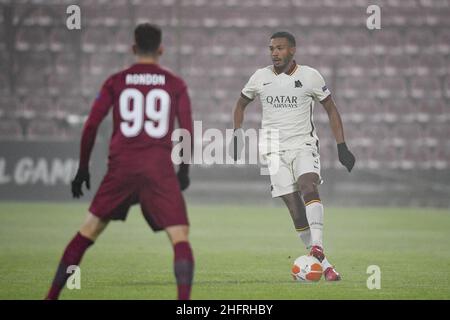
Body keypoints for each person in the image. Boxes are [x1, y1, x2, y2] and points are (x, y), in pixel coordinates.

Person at [46, 23, 194, 299]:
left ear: (134, 48)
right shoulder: (175, 84)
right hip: (158, 168)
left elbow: (90, 126)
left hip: (122, 167)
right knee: (180, 236)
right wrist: (184, 170)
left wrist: (82, 169)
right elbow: (186, 130)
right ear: (161, 49)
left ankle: (51, 296)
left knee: (88, 230)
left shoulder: (116, 81)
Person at [229, 31, 355, 281]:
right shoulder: (260, 77)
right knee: (296, 210)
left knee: (308, 186)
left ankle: (317, 246)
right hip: (273, 150)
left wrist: (342, 146)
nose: (275, 52)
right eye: (271, 48)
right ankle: (326, 266)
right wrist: (237, 135)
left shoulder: (310, 76)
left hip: (303, 145)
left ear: (293, 50)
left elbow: (330, 108)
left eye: (280, 48)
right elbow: (240, 104)